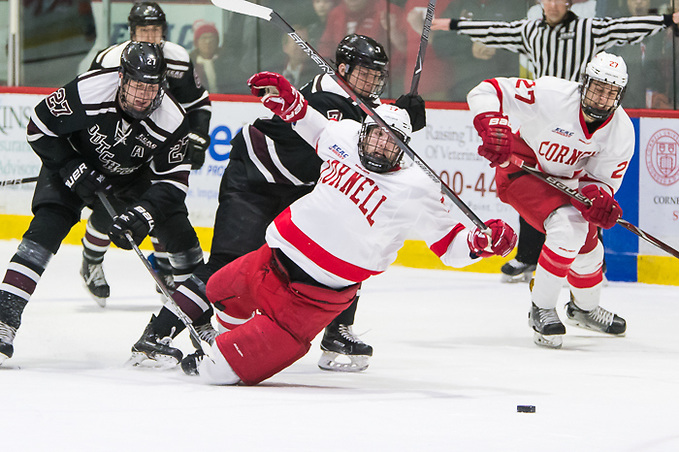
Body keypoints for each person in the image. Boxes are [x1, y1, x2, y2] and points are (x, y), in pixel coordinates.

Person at [179, 75, 517, 385]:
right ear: (364, 132)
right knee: (221, 289)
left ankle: (224, 353)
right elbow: (312, 125)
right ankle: (224, 339)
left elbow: (451, 248)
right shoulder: (344, 137)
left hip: (308, 302)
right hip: (269, 262)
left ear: (405, 147)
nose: (379, 146)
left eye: (391, 141)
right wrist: (290, 102)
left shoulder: (417, 186)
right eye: (375, 135)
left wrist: (478, 243)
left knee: (217, 374)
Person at [128, 34, 428, 373]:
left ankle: (337, 332)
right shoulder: (327, 96)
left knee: (347, 249)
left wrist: (401, 119)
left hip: (297, 187)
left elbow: (373, 140)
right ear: (342, 69)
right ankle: (156, 335)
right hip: (255, 180)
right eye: (365, 74)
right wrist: (401, 116)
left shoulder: (355, 100)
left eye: (378, 76)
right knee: (228, 262)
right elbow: (350, 135)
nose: (373, 82)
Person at [432, 0, 679, 283]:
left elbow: (623, 28)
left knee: (588, 194)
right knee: (535, 186)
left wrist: (668, 20)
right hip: (547, 119)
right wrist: (452, 24)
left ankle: (590, 261)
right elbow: (495, 31)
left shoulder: (590, 29)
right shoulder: (530, 31)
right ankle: (527, 255)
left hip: (586, 118)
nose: (551, 4)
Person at [0, 42, 204, 365]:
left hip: (132, 179)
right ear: (122, 77)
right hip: (75, 162)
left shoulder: (172, 119)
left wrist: (144, 215)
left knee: (181, 236)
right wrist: (69, 166)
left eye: (151, 89)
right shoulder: (90, 90)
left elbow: (172, 183)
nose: (142, 96)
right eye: (136, 85)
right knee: (44, 231)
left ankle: (200, 323)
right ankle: (3, 320)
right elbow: (39, 128)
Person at [467, 51, 632, 348]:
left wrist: (598, 199)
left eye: (610, 92)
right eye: (597, 87)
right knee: (568, 226)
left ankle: (584, 309)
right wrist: (491, 125)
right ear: (584, 83)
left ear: (619, 95)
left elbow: (602, 181)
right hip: (520, 169)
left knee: (588, 245)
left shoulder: (621, 132)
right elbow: (487, 89)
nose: (601, 98)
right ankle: (541, 308)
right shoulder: (551, 94)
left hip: (565, 183)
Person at [80, 2, 212, 306]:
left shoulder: (177, 58)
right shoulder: (112, 59)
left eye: (155, 30)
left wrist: (199, 135)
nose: (150, 36)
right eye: (144, 30)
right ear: (132, 31)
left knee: (161, 204)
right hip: (118, 142)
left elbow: (198, 103)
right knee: (109, 206)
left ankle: (164, 267)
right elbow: (88, 104)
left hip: (160, 143)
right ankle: (91, 260)